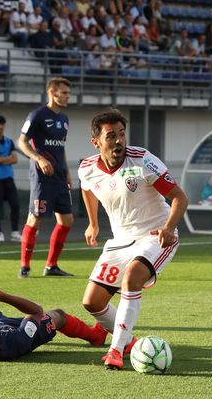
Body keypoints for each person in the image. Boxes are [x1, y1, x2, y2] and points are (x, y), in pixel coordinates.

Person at [78, 109, 188, 369]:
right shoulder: (87, 168)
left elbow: (179, 198)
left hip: (156, 235)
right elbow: (87, 190)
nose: (119, 141)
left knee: (132, 279)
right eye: (111, 136)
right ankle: (129, 342)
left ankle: (115, 351)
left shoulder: (142, 161)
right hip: (121, 240)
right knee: (92, 302)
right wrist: (93, 224)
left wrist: (169, 228)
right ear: (96, 142)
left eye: (122, 134)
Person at [16, 78, 75, 278]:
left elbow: (61, 147)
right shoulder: (37, 115)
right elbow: (22, 143)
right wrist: (39, 158)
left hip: (59, 176)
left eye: (68, 92)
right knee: (35, 218)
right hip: (42, 177)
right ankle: (24, 266)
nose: (68, 96)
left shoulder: (65, 119)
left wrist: (67, 171)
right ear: (52, 92)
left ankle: (51, 266)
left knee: (67, 220)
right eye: (64, 92)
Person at [0, 115, 21, 243]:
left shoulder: (9, 141)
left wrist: (2, 160)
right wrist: (7, 159)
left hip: (9, 178)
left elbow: (15, 159)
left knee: (15, 205)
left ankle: (15, 232)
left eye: (2, 124)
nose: (0, 126)